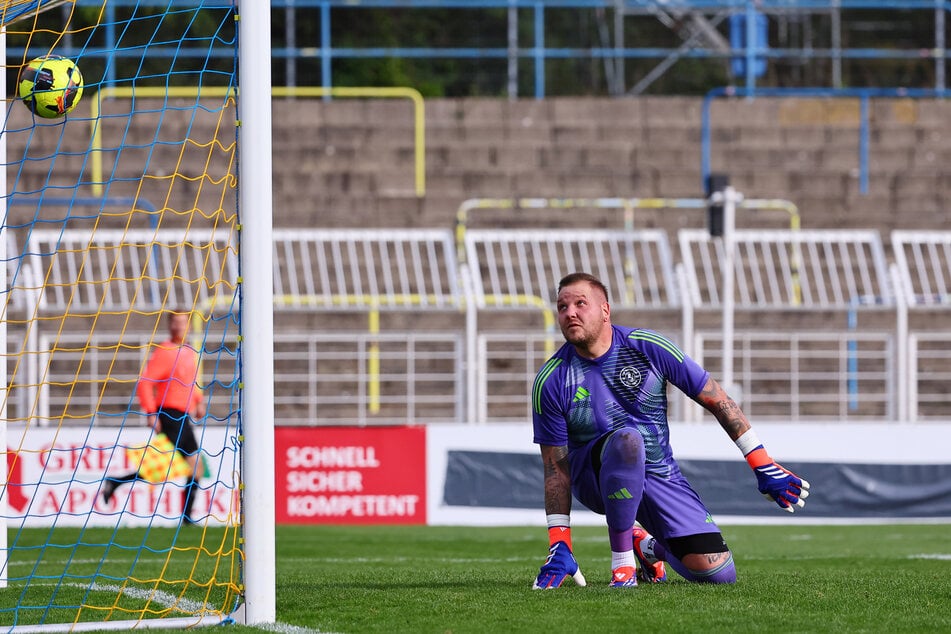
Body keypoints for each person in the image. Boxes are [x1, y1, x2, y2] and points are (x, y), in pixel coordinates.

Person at [531, 272, 810, 588]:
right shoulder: (551, 380)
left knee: (717, 573)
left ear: (605, 310)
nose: (570, 313)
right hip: (594, 478)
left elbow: (716, 398)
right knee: (628, 439)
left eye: (580, 304)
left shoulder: (647, 347)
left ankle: (647, 547)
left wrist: (761, 462)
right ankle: (621, 567)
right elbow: (555, 468)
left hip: (659, 474)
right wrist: (560, 541)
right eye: (562, 306)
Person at [102, 308, 207, 525]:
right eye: (175, 322)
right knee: (191, 464)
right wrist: (151, 412)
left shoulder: (188, 350)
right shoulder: (165, 351)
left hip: (182, 414)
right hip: (169, 413)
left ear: (188, 325)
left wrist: (199, 400)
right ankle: (187, 518)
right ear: (169, 325)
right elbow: (145, 382)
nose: (179, 326)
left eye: (183, 322)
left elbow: (187, 381)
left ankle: (116, 482)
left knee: (178, 465)